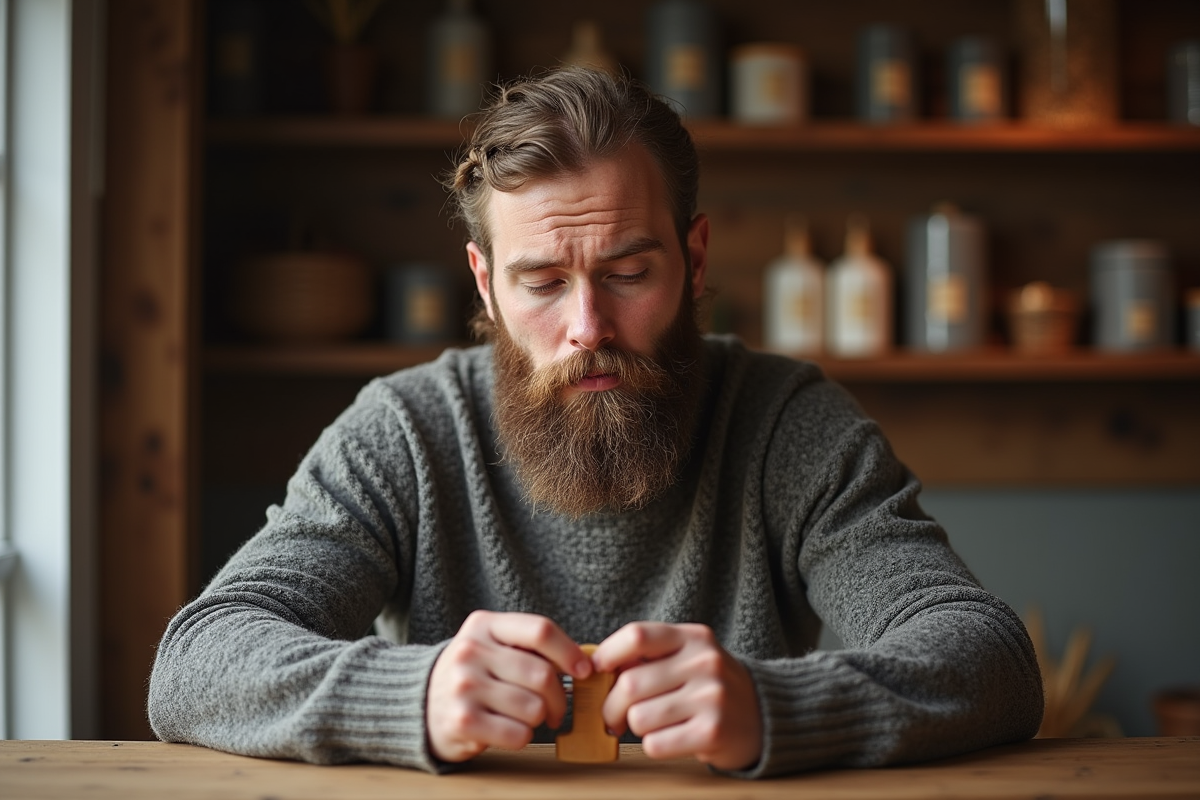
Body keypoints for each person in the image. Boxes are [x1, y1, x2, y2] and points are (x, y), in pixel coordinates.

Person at [148, 67, 1042, 777]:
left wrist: (776, 706)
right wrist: (407, 694)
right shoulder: (405, 431)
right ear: (485, 285)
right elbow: (197, 661)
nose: (587, 329)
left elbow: (987, 656)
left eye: (627, 272)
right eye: (541, 282)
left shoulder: (786, 423)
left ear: (692, 261)